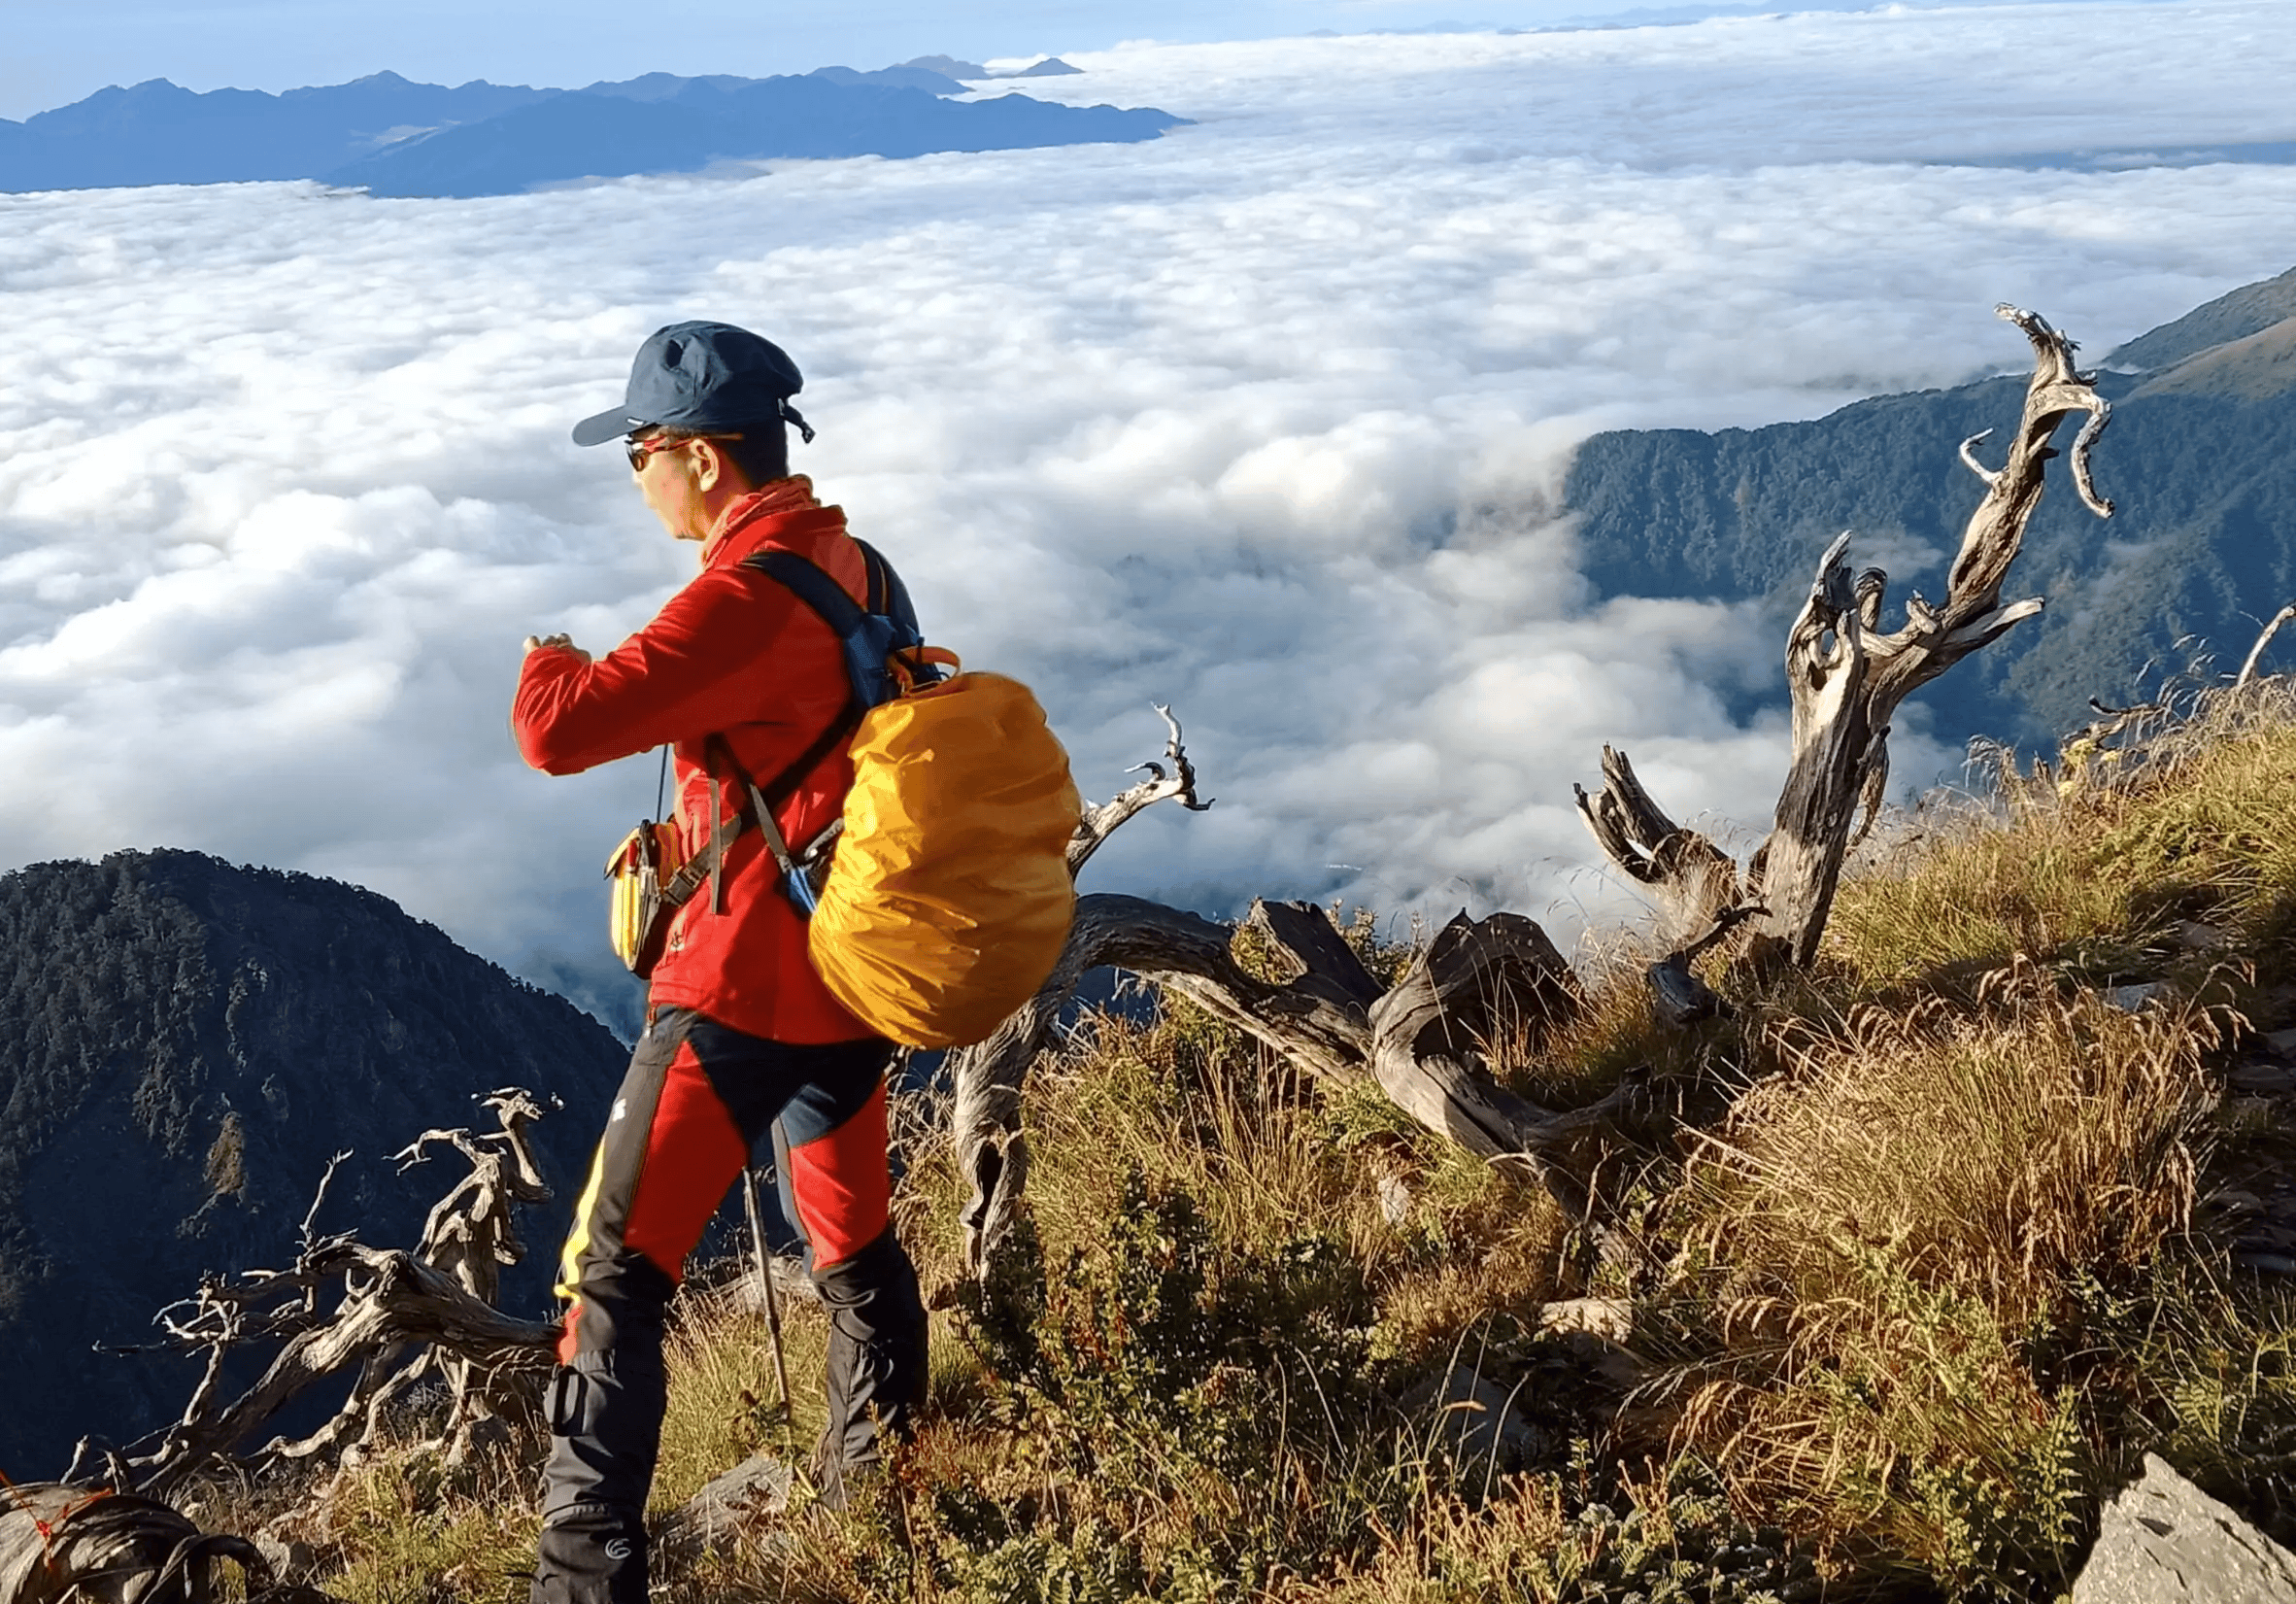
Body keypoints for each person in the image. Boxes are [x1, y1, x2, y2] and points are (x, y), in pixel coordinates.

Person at [512, 321, 929, 1604]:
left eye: (638, 450)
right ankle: (884, 1494)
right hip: (847, 976)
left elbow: (556, 732)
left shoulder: (742, 598)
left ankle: (582, 1583)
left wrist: (548, 649)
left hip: (734, 989)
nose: (635, 473)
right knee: (854, 1247)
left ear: (693, 455)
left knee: (612, 1279)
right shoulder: (852, 565)